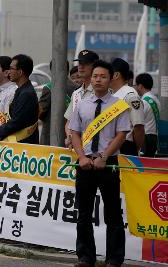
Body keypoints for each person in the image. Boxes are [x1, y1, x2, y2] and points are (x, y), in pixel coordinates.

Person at [70, 60, 130, 267]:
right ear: (91, 78)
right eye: (95, 76)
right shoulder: (82, 104)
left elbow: (122, 134)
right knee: (84, 212)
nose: (98, 80)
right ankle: (85, 257)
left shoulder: (118, 106)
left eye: (102, 76)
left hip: (108, 162)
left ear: (110, 78)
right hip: (85, 162)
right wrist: (81, 157)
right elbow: (74, 132)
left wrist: (104, 156)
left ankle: (114, 259)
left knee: (113, 212)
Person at [0, 54, 39, 144]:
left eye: (11, 68)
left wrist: (1, 131)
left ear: (20, 72)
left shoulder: (26, 93)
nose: (9, 72)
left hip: (24, 144)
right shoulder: (22, 90)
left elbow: (17, 122)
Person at [64, 50, 99, 148]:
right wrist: (70, 136)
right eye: (79, 63)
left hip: (96, 149)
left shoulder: (101, 92)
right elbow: (69, 121)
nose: (81, 66)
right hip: (78, 147)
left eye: (85, 63)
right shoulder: (76, 93)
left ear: (95, 66)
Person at [110, 58, 145, 156]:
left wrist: (134, 149)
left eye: (107, 73)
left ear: (116, 75)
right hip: (111, 145)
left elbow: (138, 127)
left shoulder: (130, 96)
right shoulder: (113, 95)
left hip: (125, 146)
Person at [38, 60, 77, 145]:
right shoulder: (77, 88)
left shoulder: (49, 88)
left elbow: (41, 112)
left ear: (52, 70)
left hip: (51, 135)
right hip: (71, 136)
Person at [135, 73, 161, 157]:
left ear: (141, 86)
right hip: (154, 136)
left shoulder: (144, 101)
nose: (136, 88)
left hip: (145, 137)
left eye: (136, 85)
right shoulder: (155, 99)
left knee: (142, 165)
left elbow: (138, 120)